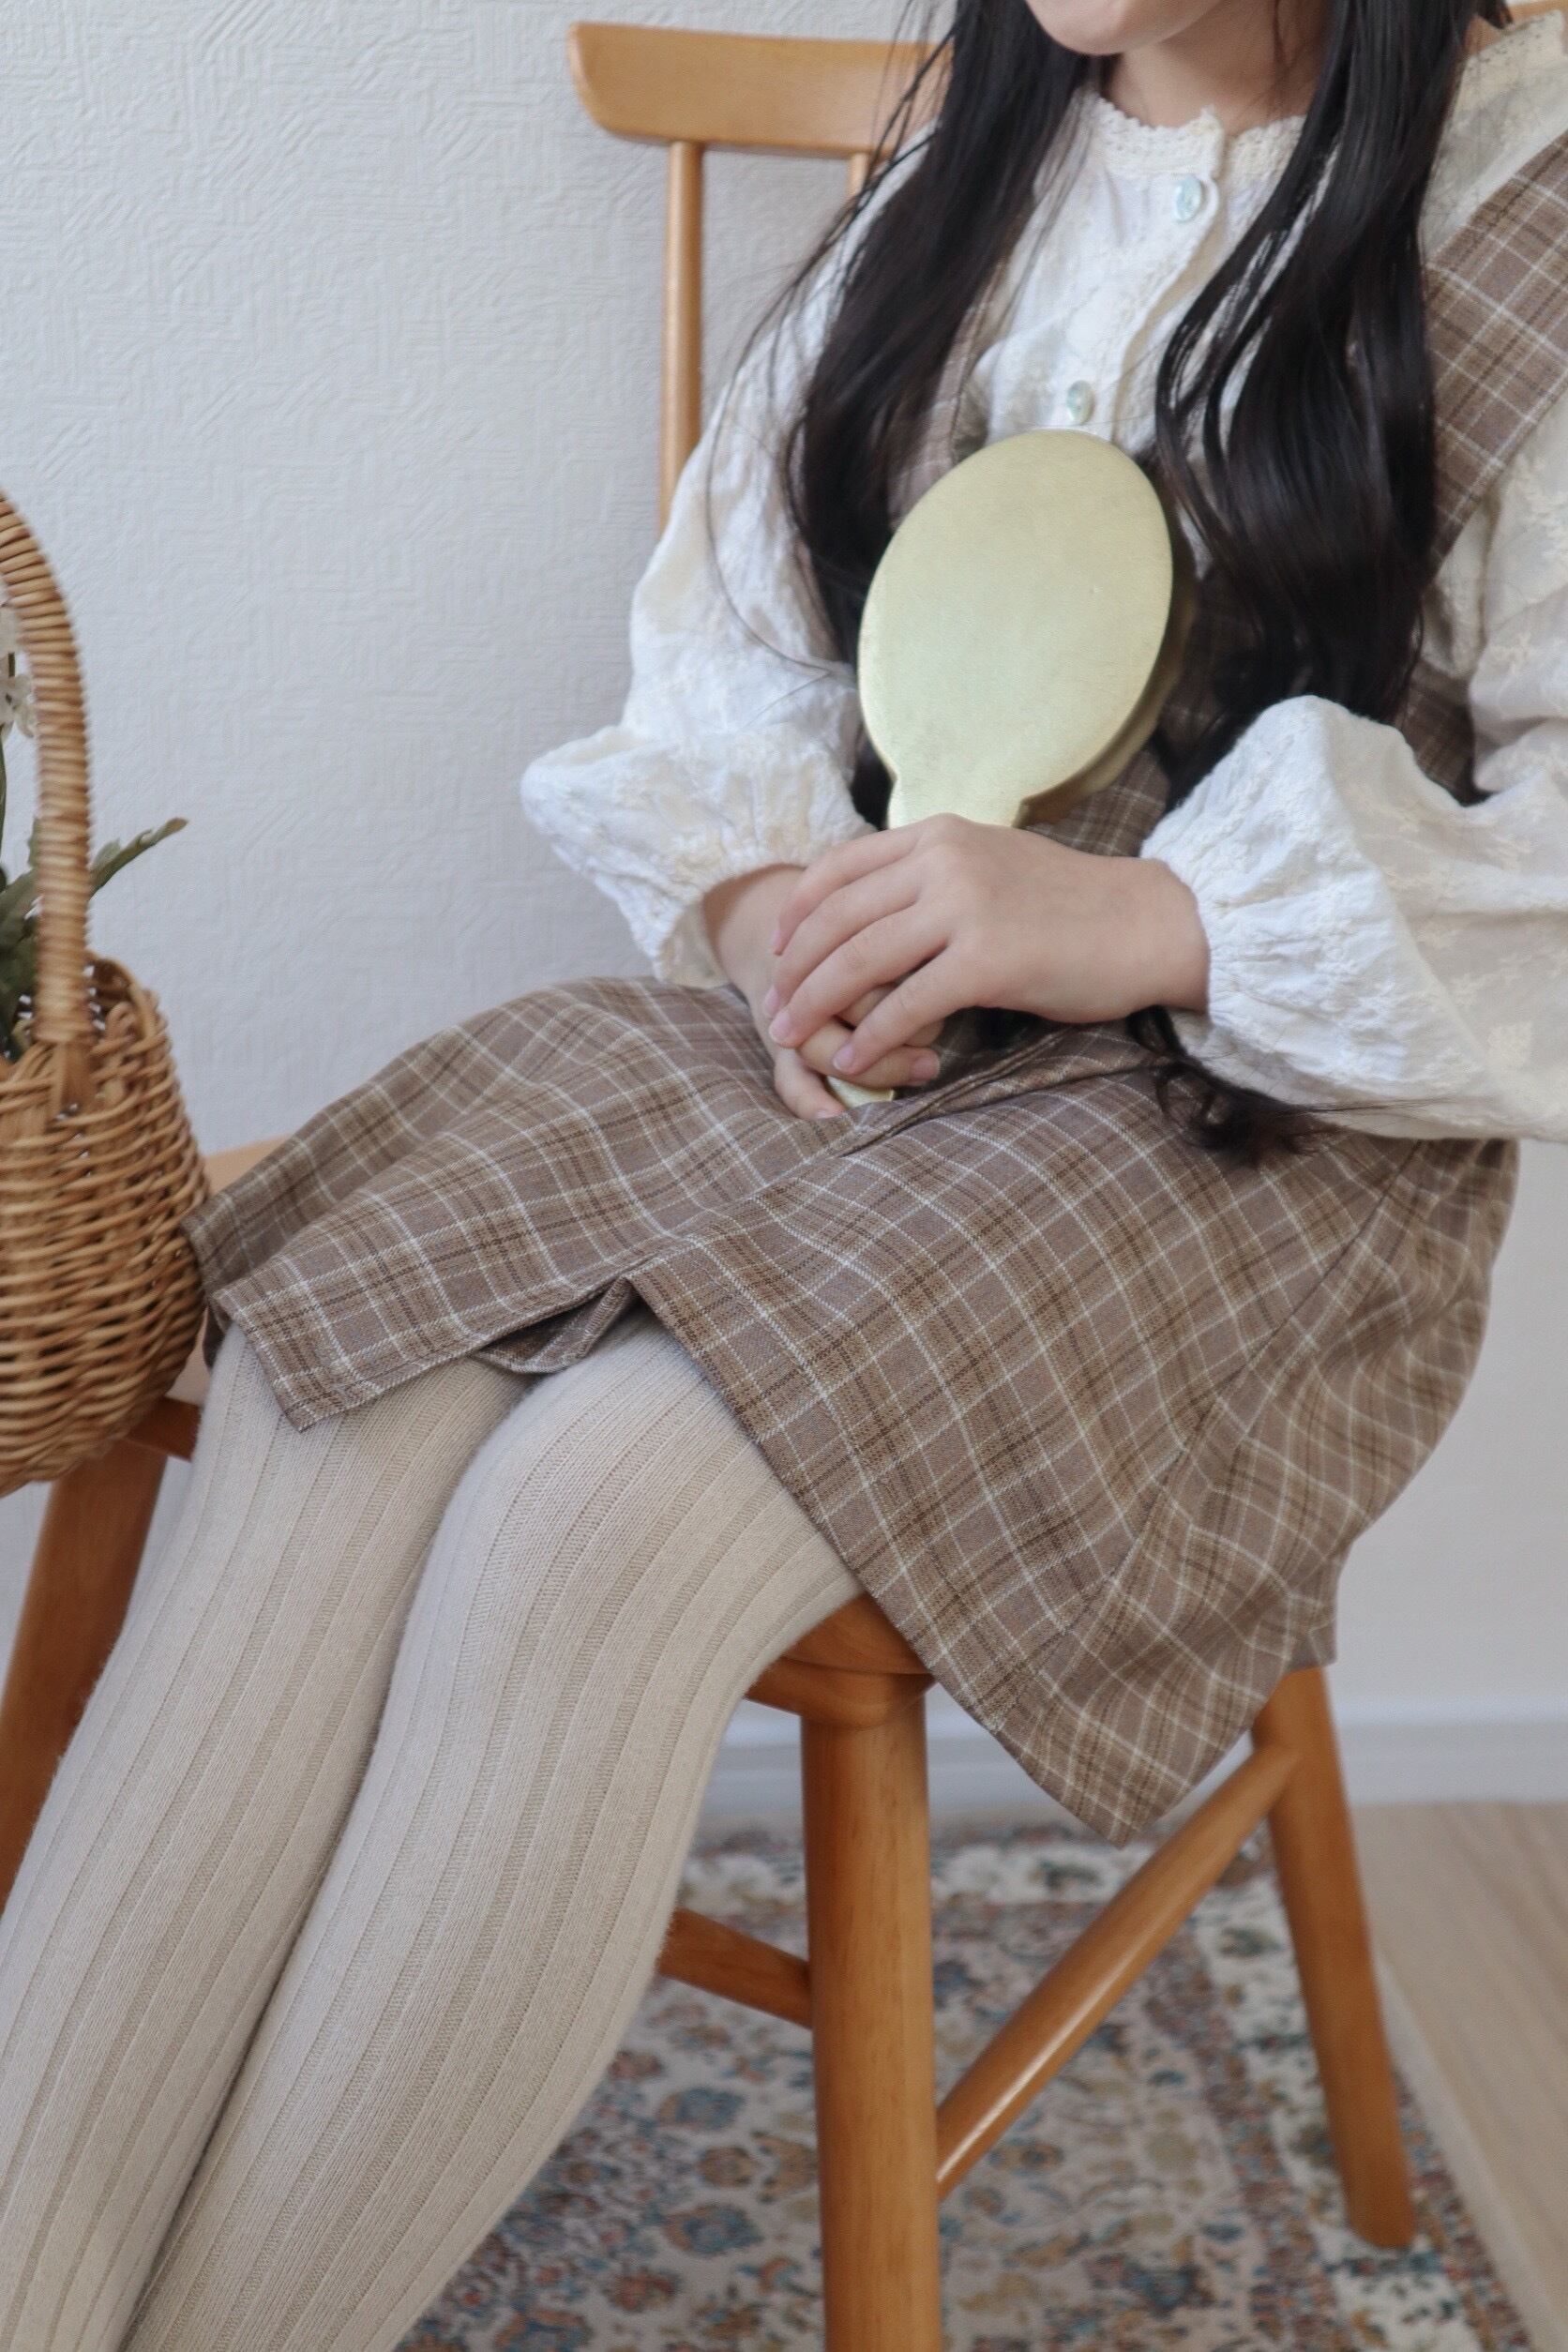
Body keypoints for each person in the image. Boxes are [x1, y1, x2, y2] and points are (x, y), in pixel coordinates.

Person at [4, 3, 1567, 2345]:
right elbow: (730, 652)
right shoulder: (978, 155)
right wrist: (760, 914)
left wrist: (1152, 921)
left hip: (1258, 1123)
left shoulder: (1522, 207)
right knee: (347, 1380)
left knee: (588, 1522)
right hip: (848, 1035)